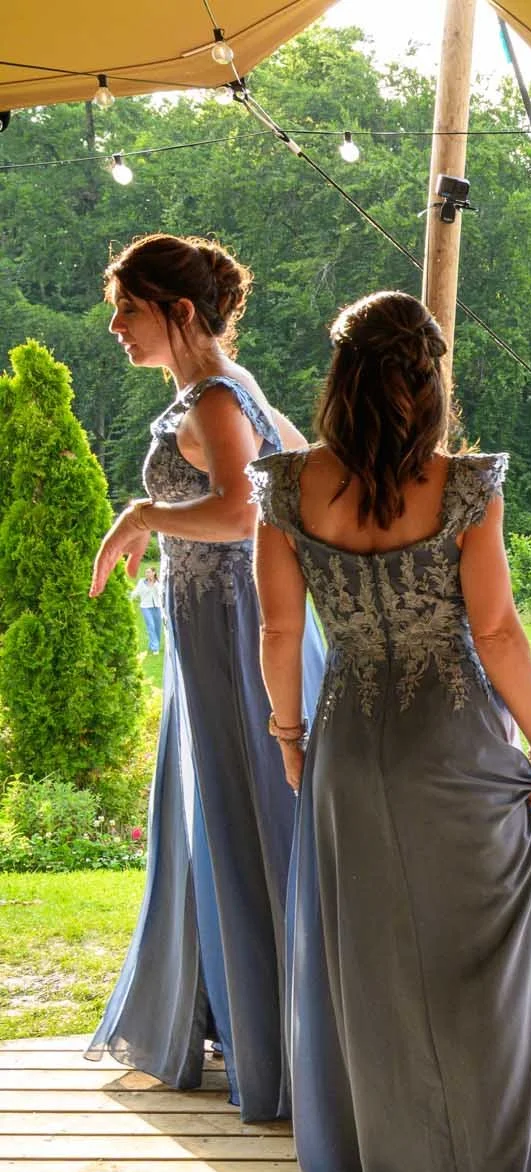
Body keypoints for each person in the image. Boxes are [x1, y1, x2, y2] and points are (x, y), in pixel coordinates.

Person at [251, 290, 531, 1172]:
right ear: (429, 380)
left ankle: (387, 1165)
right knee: (476, 969)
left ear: (340, 380)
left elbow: (278, 631)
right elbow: (495, 629)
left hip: (344, 752)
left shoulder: (286, 488)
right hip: (449, 747)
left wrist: (290, 739)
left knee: (368, 965)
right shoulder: (462, 488)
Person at [86, 233, 323, 1122]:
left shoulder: (219, 396)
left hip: (232, 637)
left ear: (179, 312)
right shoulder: (231, 388)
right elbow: (298, 468)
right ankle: (252, 1017)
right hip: (215, 631)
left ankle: (280, 1036)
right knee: (229, 818)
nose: (115, 326)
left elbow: (243, 504)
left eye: (129, 308)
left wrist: (145, 511)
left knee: (248, 817)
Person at [130, 567, 164, 653]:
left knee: (157, 627)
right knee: (151, 626)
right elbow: (136, 591)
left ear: (154, 573)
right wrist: (129, 597)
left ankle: (152, 644)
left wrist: (155, 583)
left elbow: (161, 592)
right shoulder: (142, 582)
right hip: (145, 607)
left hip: (157, 607)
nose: (147, 574)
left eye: (149, 572)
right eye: (146, 572)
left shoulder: (158, 583)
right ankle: (155, 648)